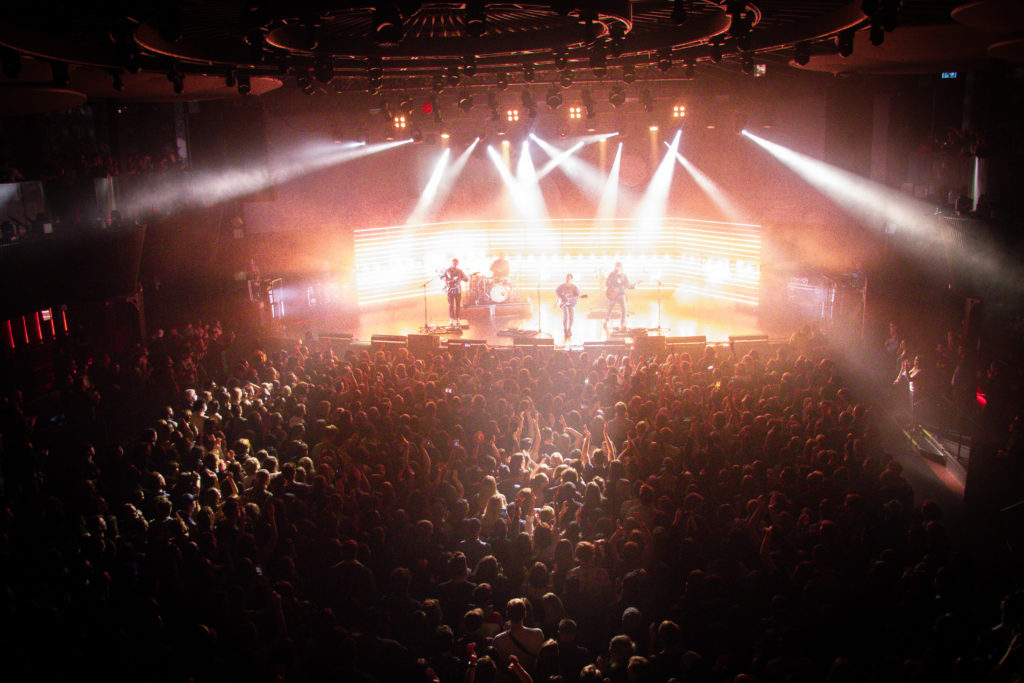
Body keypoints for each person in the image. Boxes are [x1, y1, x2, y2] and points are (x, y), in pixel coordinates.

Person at [604, 262, 632, 329]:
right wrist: (613, 288)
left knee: (624, 309)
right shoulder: (612, 274)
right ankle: (606, 321)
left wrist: (628, 286)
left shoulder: (624, 275)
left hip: (621, 294)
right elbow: (607, 283)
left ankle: (623, 323)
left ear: (621, 267)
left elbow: (627, 284)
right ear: (615, 267)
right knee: (610, 308)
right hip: (613, 294)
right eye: (617, 266)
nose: (618, 268)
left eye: (619, 266)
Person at [443, 258, 469, 326]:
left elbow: (466, 279)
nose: (454, 264)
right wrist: (447, 281)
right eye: (453, 263)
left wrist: (463, 278)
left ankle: (457, 318)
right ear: (451, 263)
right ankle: (451, 319)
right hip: (450, 290)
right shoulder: (447, 270)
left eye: (456, 263)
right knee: (451, 305)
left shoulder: (460, 271)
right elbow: (442, 277)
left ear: (457, 264)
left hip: (457, 290)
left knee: (458, 305)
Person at [555, 274, 582, 338]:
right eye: (567, 278)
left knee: (571, 316)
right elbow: (556, 292)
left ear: (571, 279)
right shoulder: (561, 286)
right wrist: (561, 298)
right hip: (564, 303)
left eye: (569, 278)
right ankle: (565, 329)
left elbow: (577, 295)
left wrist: (576, 297)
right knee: (566, 314)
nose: (567, 279)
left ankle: (569, 329)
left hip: (571, 303)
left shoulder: (574, 287)